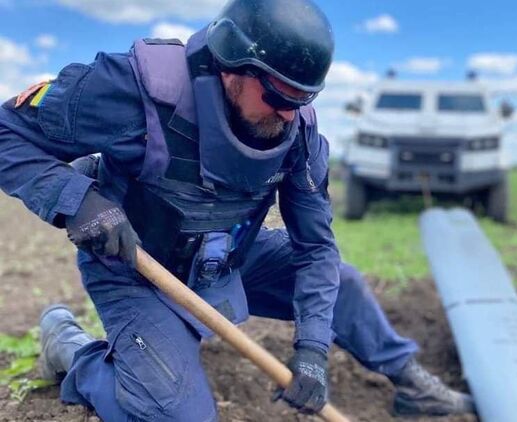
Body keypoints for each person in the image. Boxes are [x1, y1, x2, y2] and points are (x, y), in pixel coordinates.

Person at [0, 0, 475, 419]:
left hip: (226, 258)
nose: (289, 114)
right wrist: (77, 198)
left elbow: (315, 250)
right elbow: (8, 132)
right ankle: (73, 348)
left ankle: (411, 383)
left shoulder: (297, 134)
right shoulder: (133, 90)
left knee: (341, 283)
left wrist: (312, 349)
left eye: (303, 98)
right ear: (232, 67)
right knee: (175, 416)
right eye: (278, 96)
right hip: (137, 267)